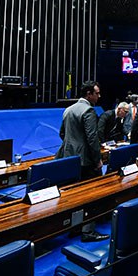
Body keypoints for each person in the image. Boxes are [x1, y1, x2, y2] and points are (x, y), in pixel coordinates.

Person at [56, 80, 107, 242]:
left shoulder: (68, 109)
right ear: (88, 94)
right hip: (86, 160)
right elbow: (92, 138)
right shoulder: (88, 110)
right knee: (91, 194)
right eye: (97, 93)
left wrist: (73, 146)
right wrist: (98, 160)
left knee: (74, 194)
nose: (99, 96)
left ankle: (75, 227)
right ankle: (88, 231)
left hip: (68, 158)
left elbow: (62, 134)